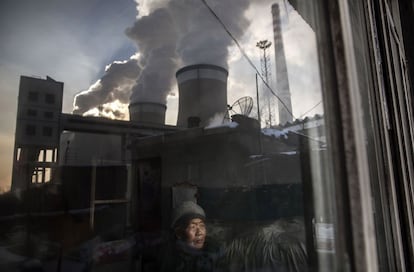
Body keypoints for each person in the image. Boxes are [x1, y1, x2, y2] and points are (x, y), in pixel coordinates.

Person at [158, 201, 223, 272]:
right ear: (179, 233)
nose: (199, 232)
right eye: (193, 227)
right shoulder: (169, 258)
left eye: (202, 226)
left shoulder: (215, 252)